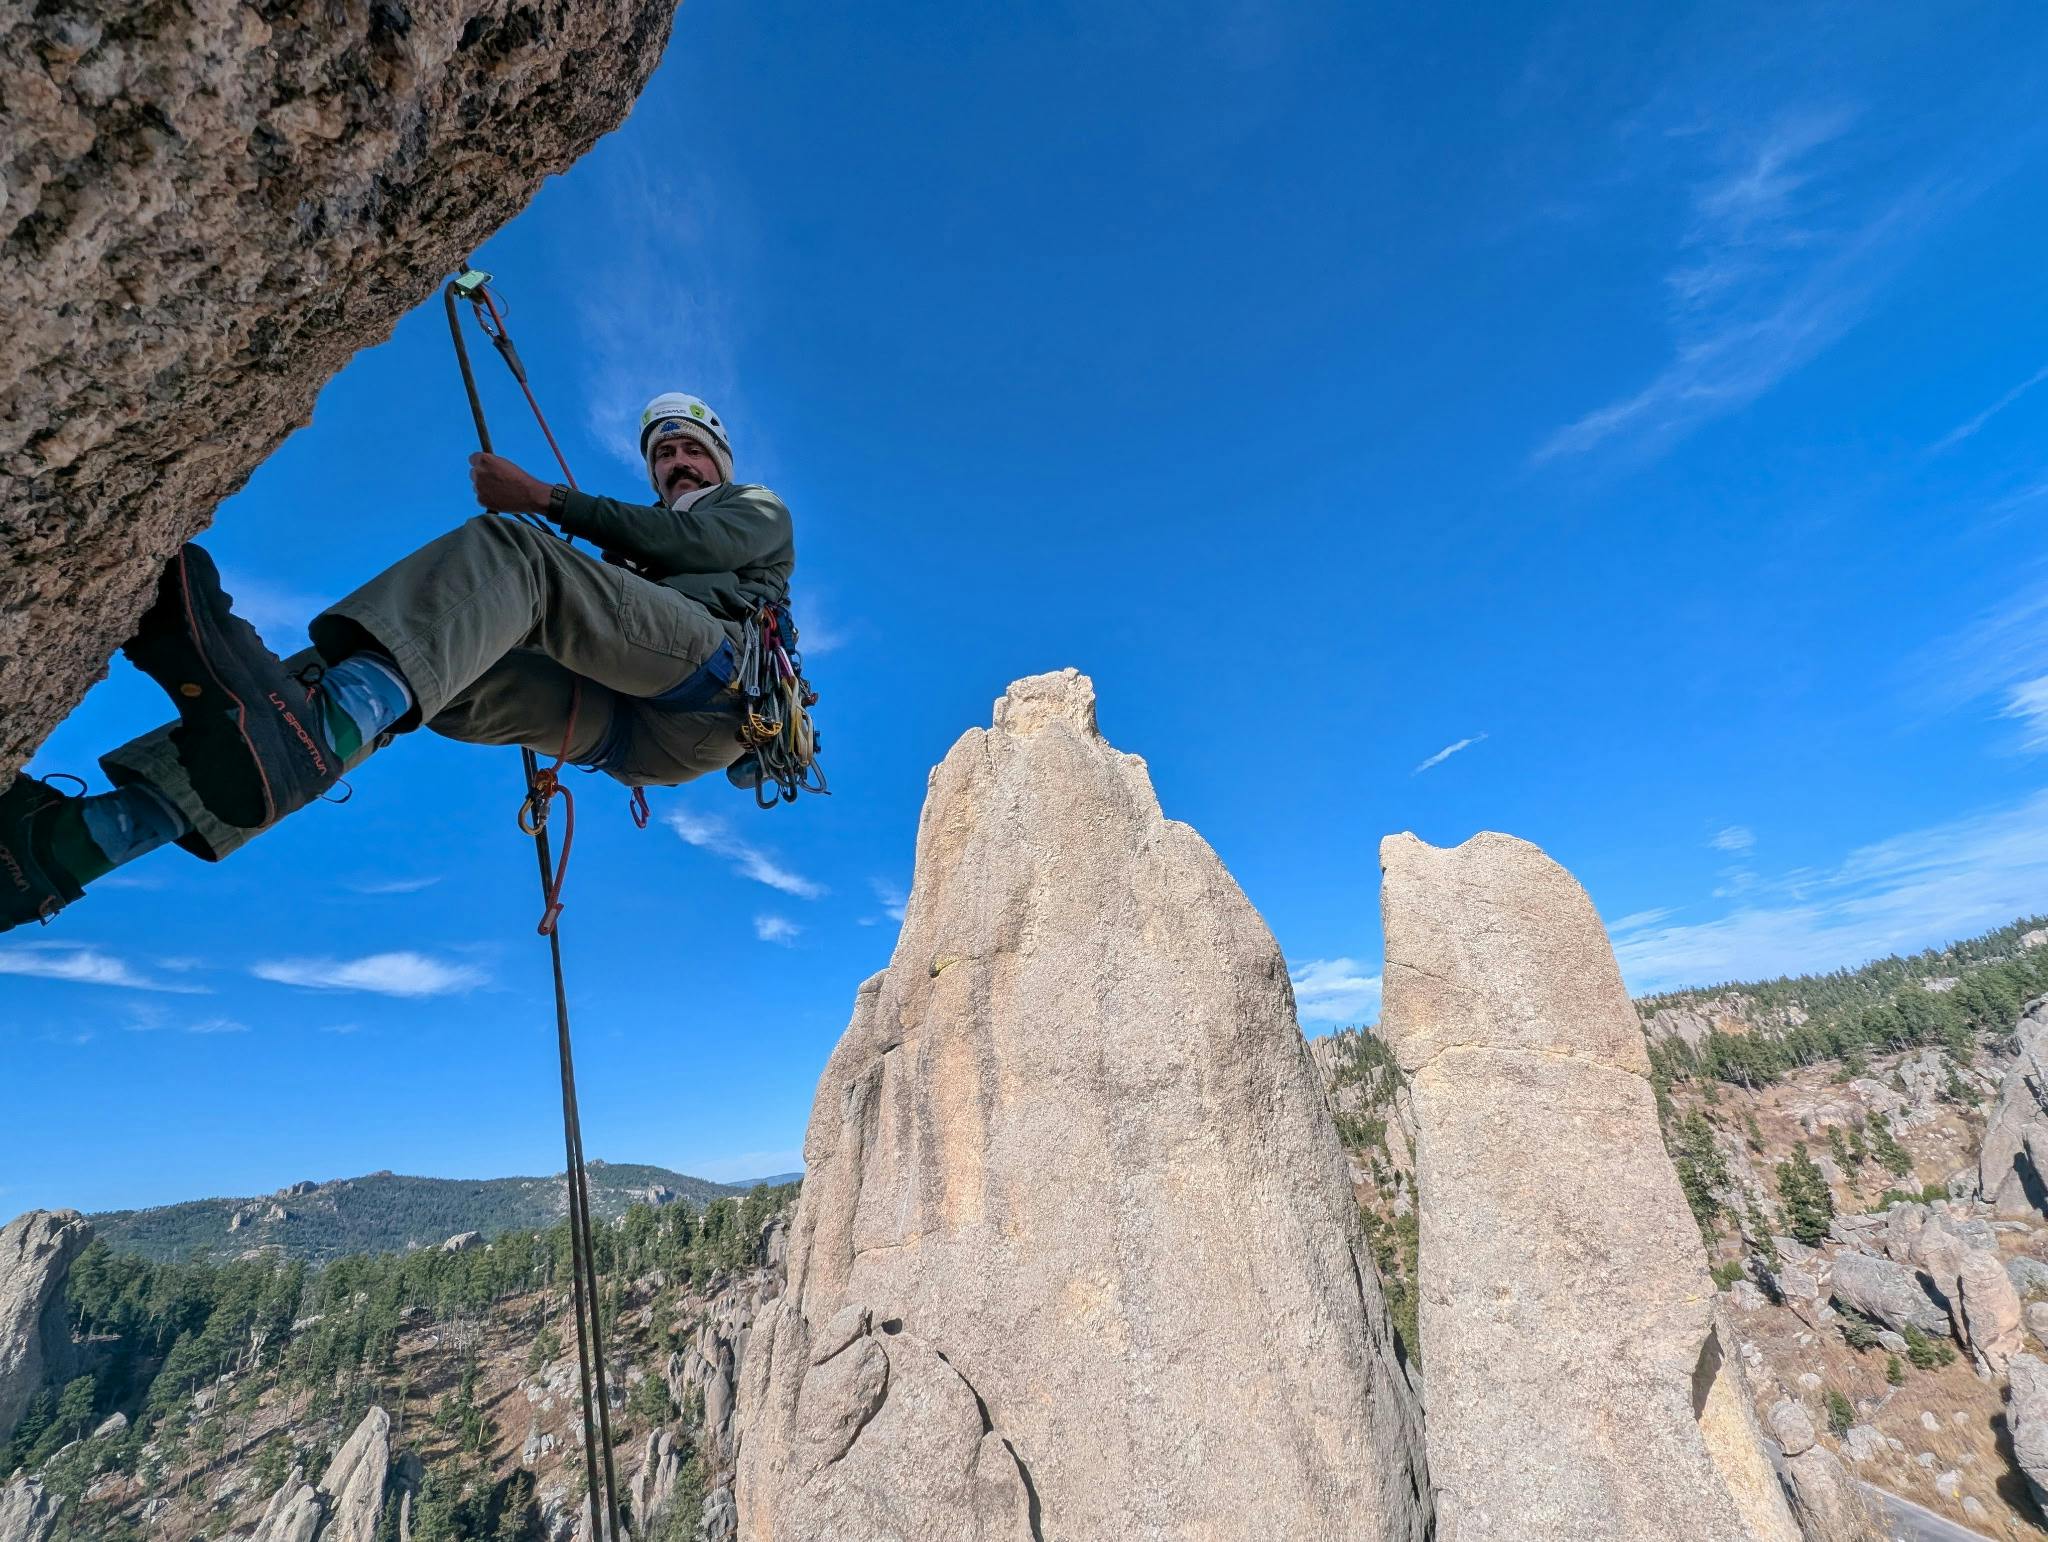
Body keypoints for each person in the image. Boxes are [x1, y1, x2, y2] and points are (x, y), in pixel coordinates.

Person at [0, 393, 794, 931]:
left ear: (720, 461)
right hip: (642, 732)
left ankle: (293, 731)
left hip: (721, 687)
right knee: (441, 667)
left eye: (692, 448)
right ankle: (69, 846)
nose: (679, 461)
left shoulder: (752, 509)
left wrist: (545, 501)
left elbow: (698, 542)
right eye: (665, 454)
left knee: (518, 556)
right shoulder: (642, 553)